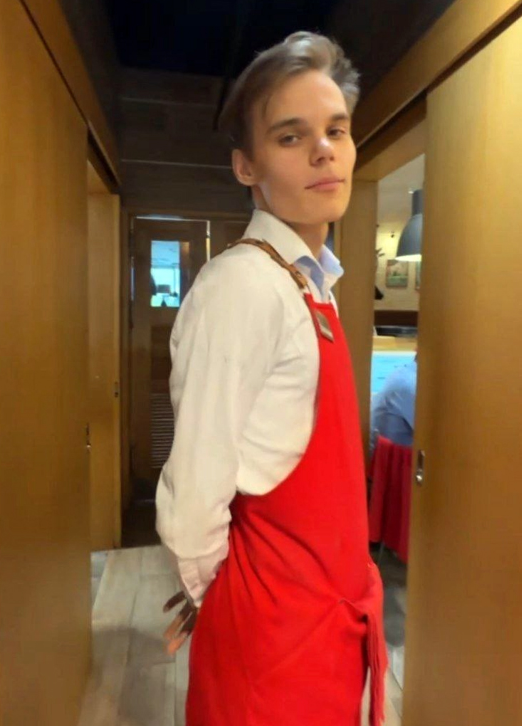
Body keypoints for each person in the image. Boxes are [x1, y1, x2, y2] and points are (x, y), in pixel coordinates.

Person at [155, 31, 387, 726]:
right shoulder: (244, 285)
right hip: (273, 637)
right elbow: (194, 495)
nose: (323, 150)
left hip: (325, 619)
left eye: (336, 130)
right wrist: (229, 604)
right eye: (291, 136)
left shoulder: (311, 284)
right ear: (245, 166)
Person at [370, 354, 418, 456]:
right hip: (389, 461)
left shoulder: (405, 372)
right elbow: (434, 437)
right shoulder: (410, 384)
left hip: (394, 457)